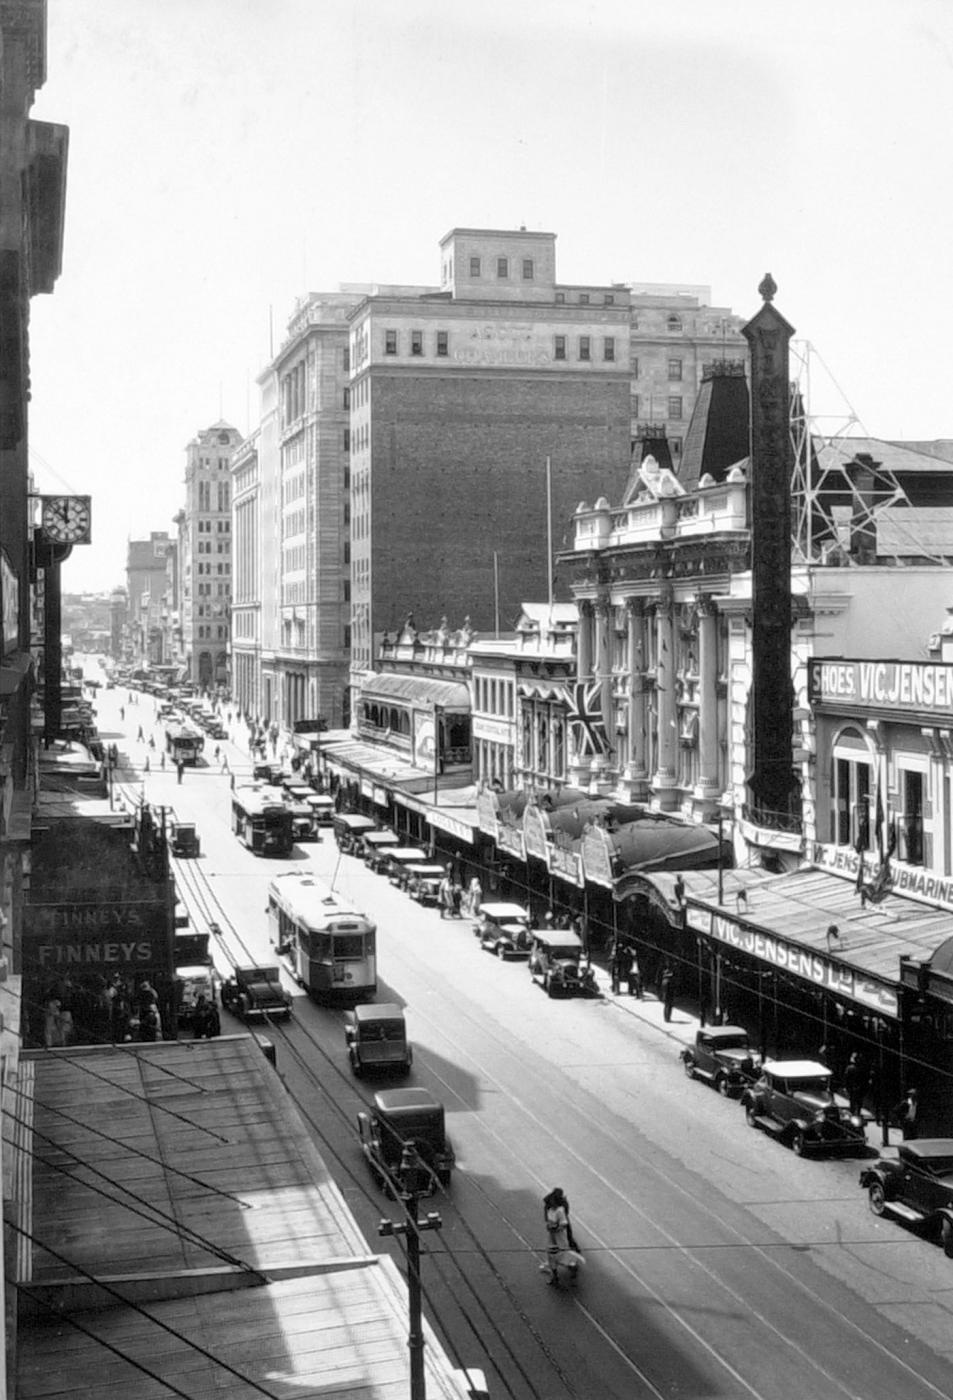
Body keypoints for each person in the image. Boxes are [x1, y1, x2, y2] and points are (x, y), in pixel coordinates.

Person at [540, 1187, 583, 1285]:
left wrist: (556, 1228)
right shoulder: (550, 1207)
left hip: (559, 1237)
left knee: (563, 1254)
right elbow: (547, 1215)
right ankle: (555, 1276)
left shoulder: (560, 1210)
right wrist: (549, 1226)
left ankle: (573, 1266)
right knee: (551, 1254)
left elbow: (564, 1223)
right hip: (552, 1236)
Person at [843, 1052, 869, 1117]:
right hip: (859, 1089)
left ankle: (853, 1114)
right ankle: (857, 1113)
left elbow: (846, 1079)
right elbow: (866, 1079)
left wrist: (846, 1087)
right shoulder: (863, 1069)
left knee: (853, 1102)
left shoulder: (849, 1068)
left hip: (853, 1089)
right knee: (859, 1103)